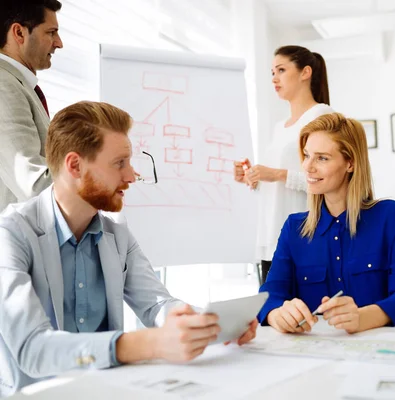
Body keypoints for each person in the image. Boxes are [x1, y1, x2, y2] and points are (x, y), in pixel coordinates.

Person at [0, 101, 258, 397]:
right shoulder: (11, 234)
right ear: (75, 165)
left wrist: (208, 324)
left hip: (107, 390)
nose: (132, 176)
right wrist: (148, 343)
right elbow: (32, 349)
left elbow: (156, 304)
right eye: (119, 163)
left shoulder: (117, 234)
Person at [256, 113, 395, 334]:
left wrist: (362, 317)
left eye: (322, 158)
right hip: (313, 357)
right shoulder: (293, 228)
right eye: (306, 155)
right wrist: (276, 314)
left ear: (350, 163)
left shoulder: (389, 216)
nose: (308, 166)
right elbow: (268, 296)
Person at [233, 45, 334, 284]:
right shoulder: (281, 127)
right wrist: (253, 177)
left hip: (305, 238)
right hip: (271, 238)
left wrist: (276, 174)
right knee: (272, 317)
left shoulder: (322, 116)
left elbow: (329, 179)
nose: (274, 78)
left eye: (281, 70)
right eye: (272, 72)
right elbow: (276, 185)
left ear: (305, 72)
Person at [0, 0, 64, 211]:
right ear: (19, 33)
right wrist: (98, 178)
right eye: (51, 32)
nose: (59, 43)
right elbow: (31, 183)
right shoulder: (4, 86)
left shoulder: (17, 84)